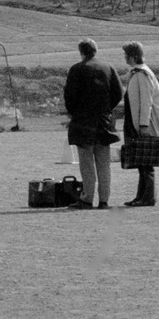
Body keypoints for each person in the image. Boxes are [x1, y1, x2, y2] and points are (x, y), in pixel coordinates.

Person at [63, 38, 123, 209]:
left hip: (83, 122)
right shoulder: (108, 67)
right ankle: (104, 200)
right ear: (95, 50)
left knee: (87, 163)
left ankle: (87, 198)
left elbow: (70, 96)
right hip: (104, 122)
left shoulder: (77, 69)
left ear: (81, 52)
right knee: (104, 163)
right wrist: (106, 108)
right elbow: (118, 93)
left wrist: (75, 112)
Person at [121, 41, 159, 207]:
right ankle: (141, 195)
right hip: (134, 120)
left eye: (127, 56)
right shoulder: (136, 73)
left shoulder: (143, 74)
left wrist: (143, 124)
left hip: (144, 123)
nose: (125, 59)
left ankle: (148, 197)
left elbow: (146, 101)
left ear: (134, 56)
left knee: (146, 162)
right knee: (140, 161)